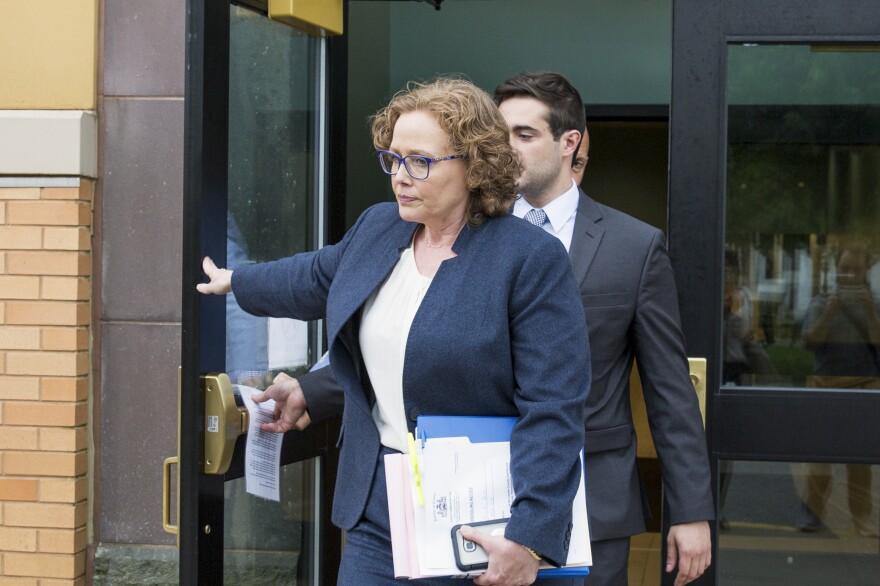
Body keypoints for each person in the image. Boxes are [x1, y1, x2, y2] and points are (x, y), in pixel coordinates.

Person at [198, 77, 591, 586]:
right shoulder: (379, 228)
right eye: (393, 158)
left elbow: (555, 408)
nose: (400, 177)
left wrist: (529, 537)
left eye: (420, 161)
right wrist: (238, 280)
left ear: (474, 165)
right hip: (377, 507)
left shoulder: (528, 258)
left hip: (481, 517)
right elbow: (316, 276)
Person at [493, 72, 713, 586]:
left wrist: (690, 510)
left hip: (593, 498)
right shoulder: (473, 232)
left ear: (570, 143)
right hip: (484, 490)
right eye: (499, 133)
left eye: (523, 135)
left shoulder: (635, 247)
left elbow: (669, 389)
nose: (506, 149)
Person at [799, 244, 879, 536]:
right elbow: (809, 342)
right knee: (819, 456)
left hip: (863, 386)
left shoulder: (874, 304)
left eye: (854, 270)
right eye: (844, 269)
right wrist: (831, 311)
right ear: (836, 271)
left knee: (860, 460)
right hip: (826, 385)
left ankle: (861, 518)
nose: (848, 275)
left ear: (864, 273)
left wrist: (870, 310)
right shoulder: (822, 302)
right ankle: (812, 514)